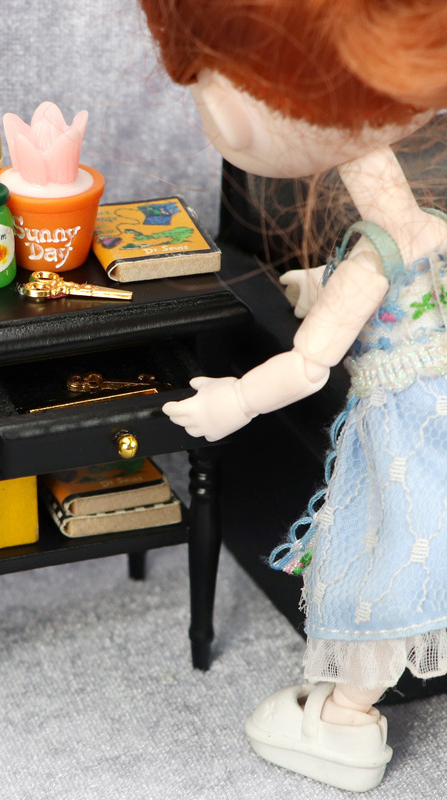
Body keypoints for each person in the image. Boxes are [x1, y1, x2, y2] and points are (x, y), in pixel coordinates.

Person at [139, 0, 447, 791]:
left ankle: (346, 718)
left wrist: (235, 401)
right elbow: (404, 305)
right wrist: (321, 288)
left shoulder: (381, 250)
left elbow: (310, 366)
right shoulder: (431, 231)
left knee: (388, 557)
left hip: (407, 428)